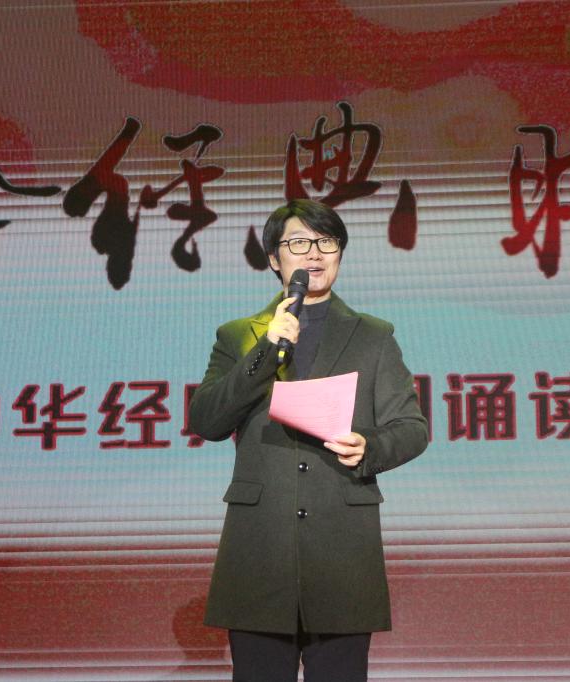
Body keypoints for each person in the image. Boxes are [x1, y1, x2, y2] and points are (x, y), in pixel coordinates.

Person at [189, 199, 429, 682]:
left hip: (343, 545)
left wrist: (369, 447)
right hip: (260, 544)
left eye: (326, 242)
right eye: (298, 243)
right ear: (274, 259)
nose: (314, 253)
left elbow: (411, 427)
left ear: (339, 253)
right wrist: (266, 349)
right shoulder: (238, 335)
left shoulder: (373, 336)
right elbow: (207, 420)